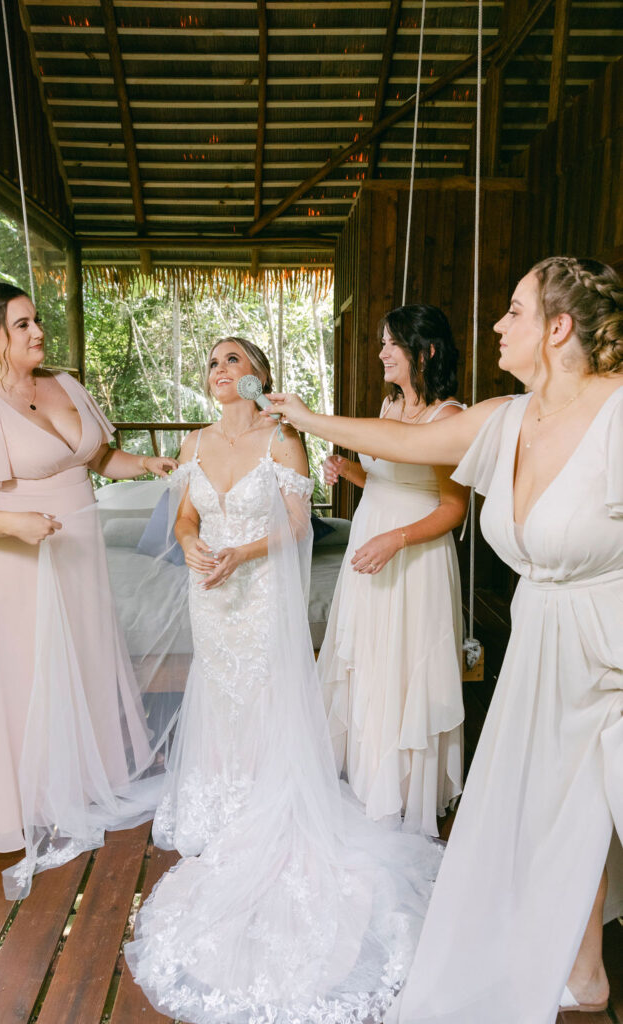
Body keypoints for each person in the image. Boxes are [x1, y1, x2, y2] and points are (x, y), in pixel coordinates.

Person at [266, 257, 623, 1023]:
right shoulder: (505, 417)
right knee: (562, 811)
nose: (497, 324)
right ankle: (586, 972)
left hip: (610, 650)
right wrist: (306, 418)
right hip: (543, 645)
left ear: (558, 329)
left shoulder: (618, 415)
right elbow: (397, 444)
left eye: (514, 311)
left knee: (599, 802)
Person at [124, 336, 443, 1024]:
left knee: (264, 691)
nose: (220, 370)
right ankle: (224, 791)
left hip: (260, 589)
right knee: (220, 692)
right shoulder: (194, 445)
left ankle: (273, 794)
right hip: (209, 595)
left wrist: (239, 552)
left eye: (233, 359)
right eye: (210, 362)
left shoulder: (283, 442)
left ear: (260, 376)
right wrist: (191, 545)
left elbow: (298, 526)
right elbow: (183, 516)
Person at [0, 281, 177, 895]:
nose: (37, 332)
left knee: (86, 658)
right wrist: (19, 525)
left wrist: (148, 465)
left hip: (77, 551)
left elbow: (98, 460)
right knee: (27, 671)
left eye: (35, 320)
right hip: (14, 559)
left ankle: (87, 774)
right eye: (21, 325)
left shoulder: (65, 385)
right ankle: (28, 793)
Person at [319, 304, 468, 836]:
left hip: (415, 556)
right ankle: (367, 773)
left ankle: (405, 788)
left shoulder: (449, 417)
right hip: (372, 540)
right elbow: (385, 480)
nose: (381, 353)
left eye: (392, 344)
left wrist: (396, 540)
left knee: (406, 663)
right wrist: (350, 471)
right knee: (372, 658)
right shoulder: (388, 408)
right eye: (382, 342)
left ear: (424, 351)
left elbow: (453, 508)